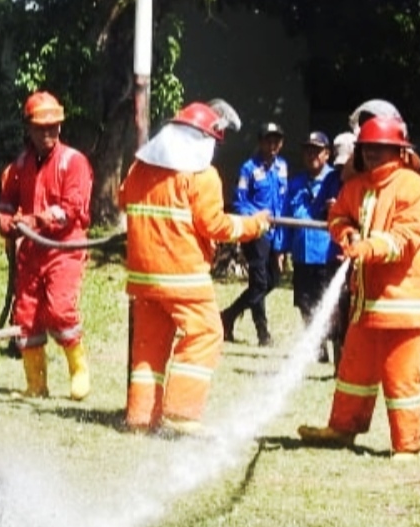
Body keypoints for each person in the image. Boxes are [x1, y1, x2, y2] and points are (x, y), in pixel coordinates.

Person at [118, 100, 272, 435]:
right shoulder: (203, 176)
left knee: (149, 345)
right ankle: (181, 413)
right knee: (206, 333)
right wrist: (254, 225)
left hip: (144, 276)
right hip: (183, 274)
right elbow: (214, 225)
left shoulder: (139, 167)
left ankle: (141, 417)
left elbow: (122, 199)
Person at [297, 113, 420, 461]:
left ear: (400, 151)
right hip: (366, 302)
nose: (372, 155)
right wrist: (345, 234)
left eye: (381, 149)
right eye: (368, 149)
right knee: (352, 372)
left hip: (403, 305)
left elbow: (402, 240)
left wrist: (367, 248)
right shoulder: (357, 187)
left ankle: (406, 444)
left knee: (400, 378)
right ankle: (342, 428)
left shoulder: (417, 191)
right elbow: (339, 216)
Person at [0, 92, 94, 400]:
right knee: (26, 316)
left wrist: (36, 221)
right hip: (32, 250)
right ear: (29, 128)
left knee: (60, 310)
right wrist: (5, 219)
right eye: (42, 127)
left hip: (64, 247)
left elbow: (72, 208)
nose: (48, 132)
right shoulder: (20, 165)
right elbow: (7, 201)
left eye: (54, 126)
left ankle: (79, 372)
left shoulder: (73, 161)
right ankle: (35, 385)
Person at [273, 131, 343, 364]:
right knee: (304, 303)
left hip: (326, 254)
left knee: (330, 304)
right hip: (302, 255)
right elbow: (284, 216)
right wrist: (280, 249)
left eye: (317, 150)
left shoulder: (336, 180)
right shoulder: (296, 184)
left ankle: (336, 349)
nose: (311, 155)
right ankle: (317, 347)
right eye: (308, 150)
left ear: (327, 154)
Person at [221, 121, 288, 346]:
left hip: (275, 233)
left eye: (276, 140)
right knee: (259, 283)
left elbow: (282, 200)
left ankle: (228, 315)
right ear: (260, 143)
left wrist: (281, 241)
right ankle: (262, 333)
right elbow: (239, 202)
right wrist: (257, 217)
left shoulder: (283, 168)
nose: (272, 145)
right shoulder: (248, 169)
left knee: (273, 281)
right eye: (268, 140)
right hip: (256, 232)